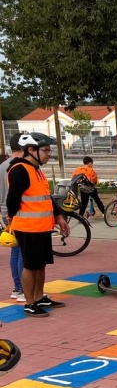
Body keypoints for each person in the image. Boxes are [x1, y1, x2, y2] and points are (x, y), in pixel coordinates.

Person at [6, 133, 69, 317]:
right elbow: (12, 201)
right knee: (30, 266)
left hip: (42, 227)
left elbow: (46, 198)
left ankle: (40, 297)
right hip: (27, 228)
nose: (49, 154)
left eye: (50, 150)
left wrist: (59, 217)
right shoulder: (20, 170)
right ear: (31, 150)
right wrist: (12, 221)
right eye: (45, 150)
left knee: (41, 264)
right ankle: (29, 303)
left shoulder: (37, 169)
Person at [0, 133, 25, 302]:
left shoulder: (2, 165)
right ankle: (23, 289)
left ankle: (17, 288)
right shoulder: (20, 166)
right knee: (23, 251)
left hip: (4, 212)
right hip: (18, 213)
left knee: (15, 251)